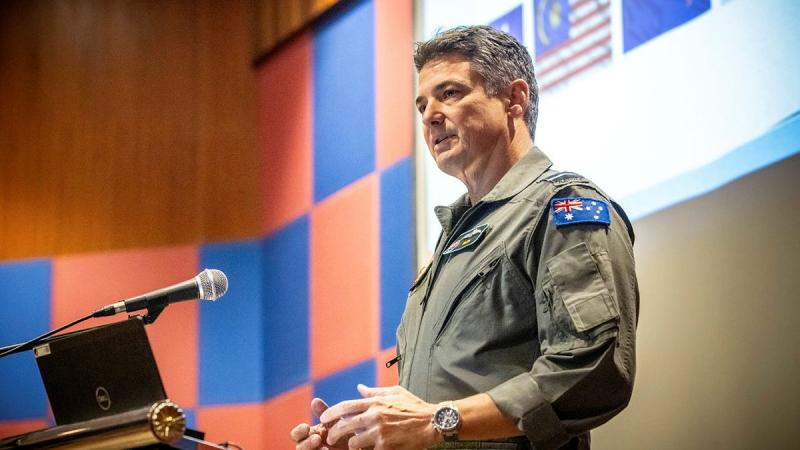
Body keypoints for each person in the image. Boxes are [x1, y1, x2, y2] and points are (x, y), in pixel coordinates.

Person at [291, 25, 638, 450]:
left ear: (514, 99)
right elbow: (429, 420)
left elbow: (594, 370)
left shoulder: (559, 207)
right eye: (421, 105)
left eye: (450, 93)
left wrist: (438, 420)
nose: (429, 115)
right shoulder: (451, 244)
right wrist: (366, 436)